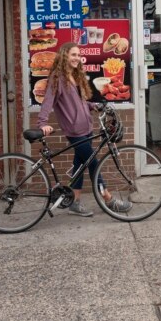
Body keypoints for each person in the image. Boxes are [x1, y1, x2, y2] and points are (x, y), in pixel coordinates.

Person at [37, 42, 132, 217]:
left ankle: (75, 202)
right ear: (64, 55)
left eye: (78, 55)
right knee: (94, 164)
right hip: (74, 130)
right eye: (73, 54)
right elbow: (47, 102)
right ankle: (109, 199)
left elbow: (79, 103)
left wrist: (94, 105)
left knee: (80, 165)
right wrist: (42, 123)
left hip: (85, 127)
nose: (76, 58)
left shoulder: (74, 76)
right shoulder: (57, 78)